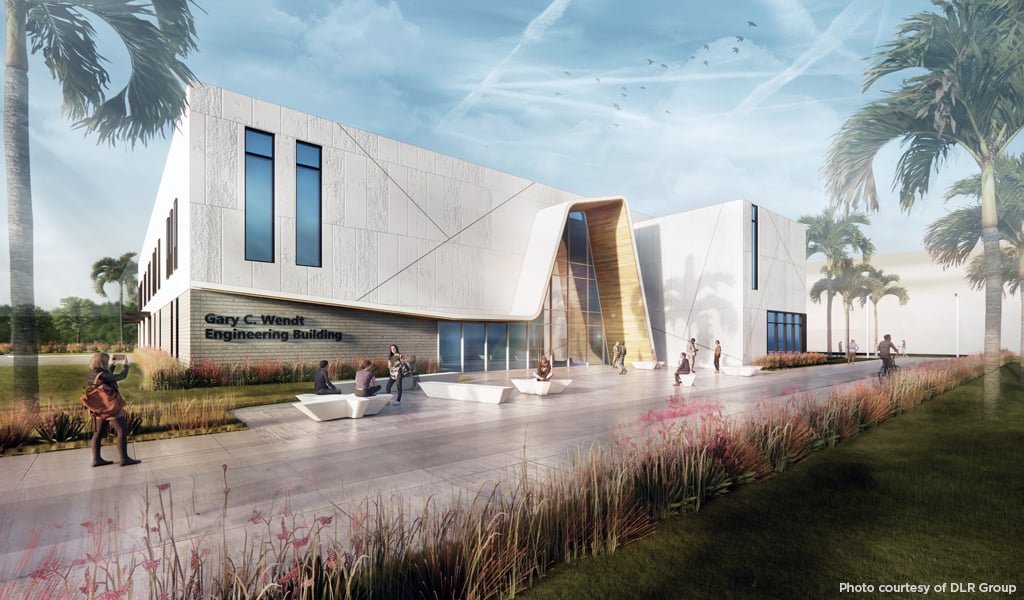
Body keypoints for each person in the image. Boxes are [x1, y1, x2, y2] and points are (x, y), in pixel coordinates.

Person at [87, 352, 140, 467]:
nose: (108, 362)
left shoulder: (92, 373)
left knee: (98, 433)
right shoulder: (103, 375)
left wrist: (113, 364)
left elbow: (107, 376)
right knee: (122, 430)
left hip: (98, 407)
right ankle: (124, 458)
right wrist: (126, 365)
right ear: (102, 362)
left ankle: (96, 460)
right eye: (107, 361)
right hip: (110, 406)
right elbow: (119, 377)